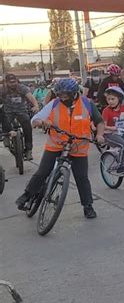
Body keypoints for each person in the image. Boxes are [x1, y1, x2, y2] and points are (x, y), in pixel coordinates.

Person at [15, 78, 105, 218]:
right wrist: (41, 122)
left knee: (82, 178)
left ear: (74, 93)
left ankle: (88, 206)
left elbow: (99, 122)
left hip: (78, 146)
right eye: (60, 94)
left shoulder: (87, 103)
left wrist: (99, 135)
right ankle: (27, 195)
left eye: (65, 94)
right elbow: (36, 119)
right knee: (43, 171)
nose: (62, 97)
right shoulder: (54, 104)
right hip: (56, 144)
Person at [0, 73, 39, 160]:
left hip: (21, 111)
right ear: (6, 82)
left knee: (27, 126)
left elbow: (31, 97)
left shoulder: (22, 88)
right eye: (10, 82)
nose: (13, 84)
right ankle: (6, 136)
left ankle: (28, 150)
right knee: (5, 121)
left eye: (14, 82)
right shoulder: (2, 89)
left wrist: (36, 106)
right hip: (8, 111)